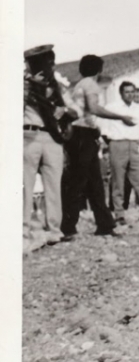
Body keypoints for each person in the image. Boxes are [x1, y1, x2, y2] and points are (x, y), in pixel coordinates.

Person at [61, 55, 133, 239]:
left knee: (94, 181)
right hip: (83, 135)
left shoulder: (79, 85)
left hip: (83, 134)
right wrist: (121, 117)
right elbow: (93, 108)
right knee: (79, 181)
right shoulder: (91, 85)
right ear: (99, 70)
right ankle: (67, 227)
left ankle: (105, 224)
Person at [23, 45, 78, 244]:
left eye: (50, 62)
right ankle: (24, 231)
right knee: (25, 185)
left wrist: (63, 111)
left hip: (53, 137)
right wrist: (27, 83)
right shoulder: (23, 84)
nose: (48, 67)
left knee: (53, 186)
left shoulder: (58, 87)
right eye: (43, 63)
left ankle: (54, 230)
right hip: (29, 133)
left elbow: (75, 112)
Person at [103, 80, 139, 226]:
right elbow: (103, 128)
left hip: (134, 145)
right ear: (121, 93)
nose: (130, 94)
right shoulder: (111, 107)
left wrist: (134, 143)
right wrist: (112, 145)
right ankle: (119, 214)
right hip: (117, 144)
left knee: (138, 180)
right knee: (118, 181)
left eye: (132, 91)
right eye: (127, 92)